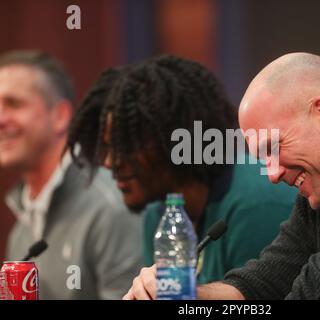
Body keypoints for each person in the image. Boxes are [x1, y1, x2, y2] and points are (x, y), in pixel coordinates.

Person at [125, 52, 320, 300]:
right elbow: (257, 287)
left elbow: (317, 293)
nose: (272, 173)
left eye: (274, 147)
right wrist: (184, 294)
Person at [67, 55, 297, 293]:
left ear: (170, 140)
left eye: (125, 146)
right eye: (106, 148)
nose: (109, 162)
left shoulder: (256, 204)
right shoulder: (159, 215)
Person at [0, 51, 143, 299]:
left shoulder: (111, 205)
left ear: (60, 116)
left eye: (14, 104)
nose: (0, 118)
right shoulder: (23, 219)